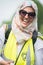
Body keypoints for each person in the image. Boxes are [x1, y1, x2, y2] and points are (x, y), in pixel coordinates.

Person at [0, 0, 43, 65]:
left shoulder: (38, 39)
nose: (26, 17)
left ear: (34, 18)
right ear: (18, 13)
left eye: (31, 14)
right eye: (23, 12)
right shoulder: (5, 30)